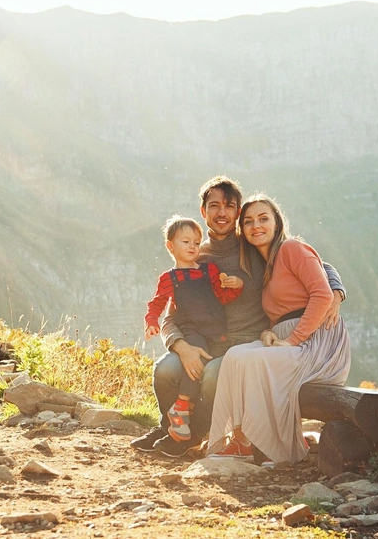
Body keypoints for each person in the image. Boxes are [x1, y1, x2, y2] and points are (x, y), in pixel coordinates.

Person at [130, 176, 346, 457]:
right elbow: (173, 313)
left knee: (212, 376)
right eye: (214, 205)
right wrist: (182, 347)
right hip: (203, 342)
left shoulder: (253, 247)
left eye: (230, 206)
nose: (222, 213)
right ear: (203, 211)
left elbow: (314, 261)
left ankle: (189, 436)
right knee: (166, 369)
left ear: (238, 212)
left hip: (245, 342)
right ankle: (169, 428)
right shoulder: (196, 256)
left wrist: (337, 290)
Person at [206, 193, 351, 466]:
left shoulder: (291, 248)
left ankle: (283, 451)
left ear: (277, 223)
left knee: (252, 360)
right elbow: (276, 316)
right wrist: (268, 334)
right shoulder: (263, 264)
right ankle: (240, 442)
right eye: (248, 221)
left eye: (263, 218)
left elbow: (321, 293)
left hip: (317, 342)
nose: (256, 226)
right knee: (235, 356)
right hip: (287, 338)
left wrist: (336, 294)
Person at [144, 215, 244, 442]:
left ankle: (191, 422)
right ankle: (180, 407)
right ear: (170, 246)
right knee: (195, 356)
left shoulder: (209, 270)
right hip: (190, 331)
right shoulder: (168, 278)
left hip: (215, 330)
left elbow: (222, 297)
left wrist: (236, 286)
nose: (192, 246)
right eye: (185, 241)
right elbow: (157, 303)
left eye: (196, 243)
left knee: (206, 363)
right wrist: (151, 322)